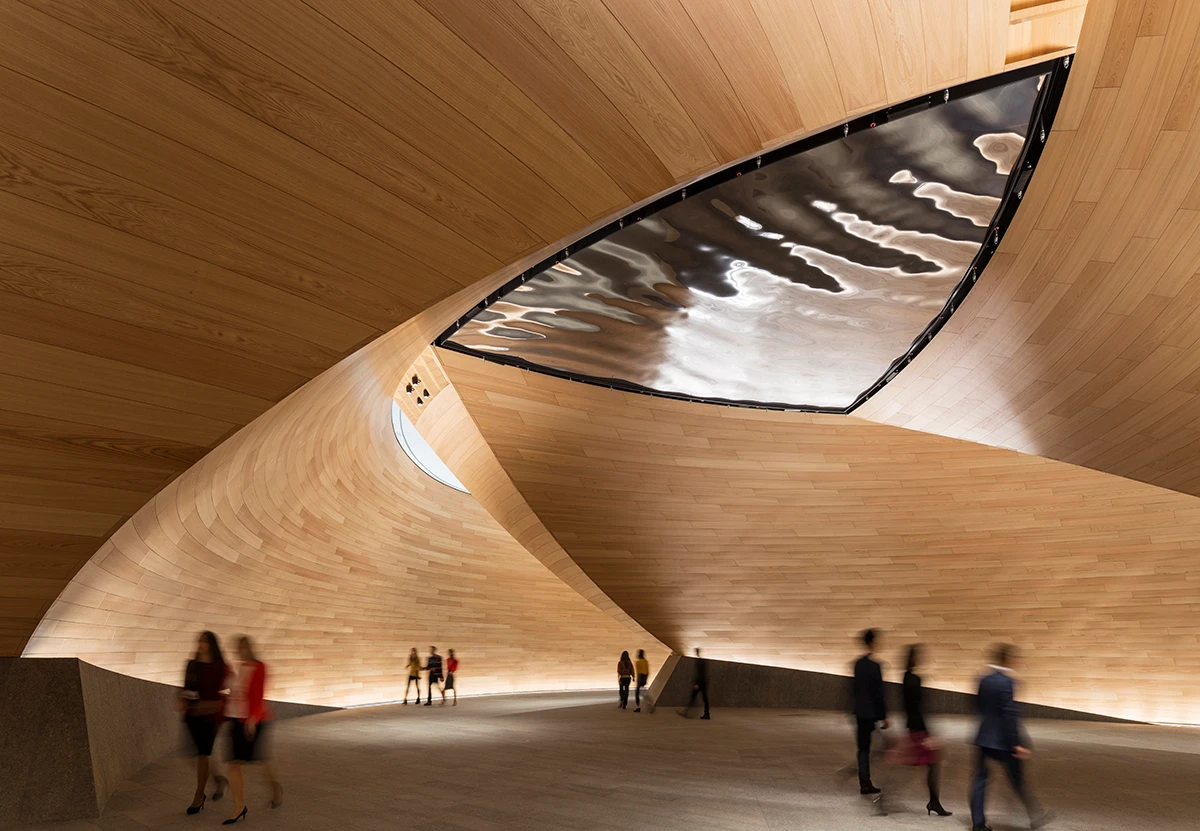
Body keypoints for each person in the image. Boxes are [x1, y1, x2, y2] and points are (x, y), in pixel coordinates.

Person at [970, 644, 1051, 831]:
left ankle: (978, 823)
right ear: (1007, 659)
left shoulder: (983, 679)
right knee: (1016, 778)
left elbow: (977, 706)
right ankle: (1035, 814)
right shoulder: (1007, 682)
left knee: (980, 779)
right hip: (1003, 741)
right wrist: (1016, 743)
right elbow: (1009, 714)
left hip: (984, 736)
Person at [223, 636, 281, 824]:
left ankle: (274, 787)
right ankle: (239, 806)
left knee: (258, 761)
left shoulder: (259, 667)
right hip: (236, 720)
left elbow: (258, 695)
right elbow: (231, 692)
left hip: (254, 721)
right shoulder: (237, 668)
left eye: (242, 647)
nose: (239, 651)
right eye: (237, 648)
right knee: (234, 764)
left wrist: (253, 719)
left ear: (248, 648)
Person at [177, 631, 229, 815]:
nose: (200, 644)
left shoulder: (220, 666)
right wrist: (182, 699)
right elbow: (186, 687)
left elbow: (229, 690)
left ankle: (199, 796)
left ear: (211, 645)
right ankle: (218, 779)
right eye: (199, 640)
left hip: (211, 717)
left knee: (202, 755)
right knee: (198, 755)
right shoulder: (192, 664)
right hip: (193, 716)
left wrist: (218, 704)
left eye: (204, 641)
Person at [902, 644, 950, 817]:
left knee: (917, 765)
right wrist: (927, 734)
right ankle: (934, 803)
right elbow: (918, 708)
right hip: (919, 730)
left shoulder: (906, 677)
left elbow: (908, 707)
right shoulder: (915, 679)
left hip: (912, 728)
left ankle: (934, 802)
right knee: (931, 765)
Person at [851, 628, 888, 795]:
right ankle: (865, 781)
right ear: (873, 643)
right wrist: (883, 717)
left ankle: (864, 780)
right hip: (870, 713)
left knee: (863, 748)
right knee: (871, 748)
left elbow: (854, 690)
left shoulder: (857, 664)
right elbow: (878, 693)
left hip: (860, 713)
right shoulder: (876, 666)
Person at [680, 647, 710, 719]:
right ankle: (707, 714)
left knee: (693, 696)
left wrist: (697, 683)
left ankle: (686, 712)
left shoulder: (698, 661)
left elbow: (699, 673)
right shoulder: (702, 661)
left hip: (700, 683)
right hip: (704, 682)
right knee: (704, 698)